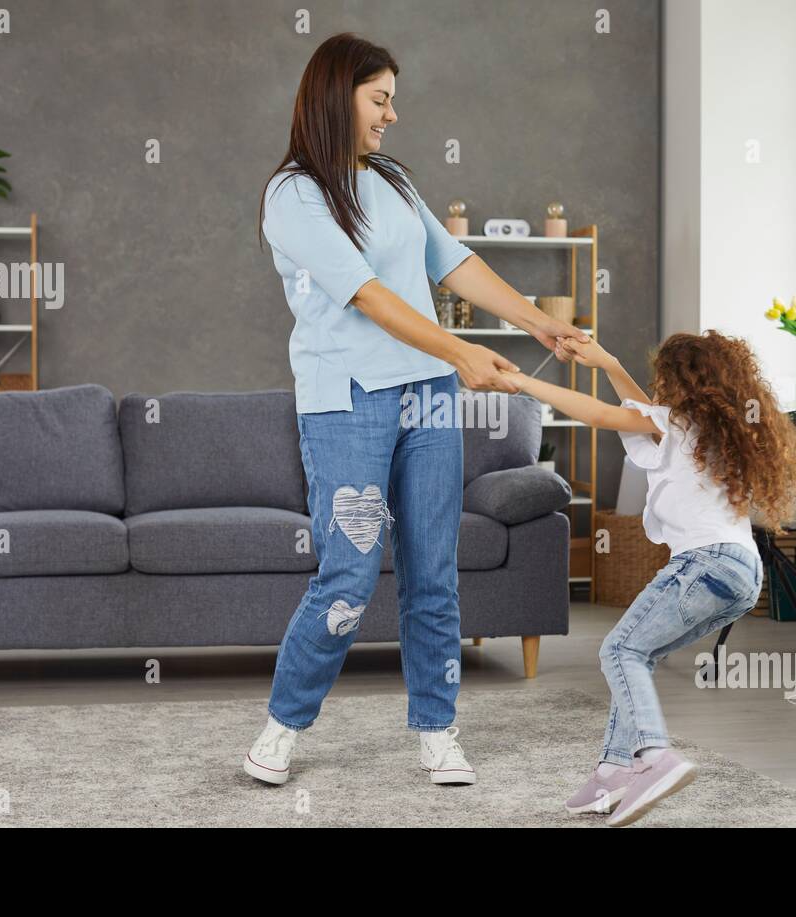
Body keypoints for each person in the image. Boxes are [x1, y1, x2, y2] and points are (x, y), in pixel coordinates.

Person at [246, 33, 589, 787]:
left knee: (434, 569)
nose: (393, 114)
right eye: (380, 99)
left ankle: (437, 729)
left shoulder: (393, 180)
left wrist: (537, 321)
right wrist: (461, 352)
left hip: (428, 397)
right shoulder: (293, 194)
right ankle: (283, 724)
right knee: (349, 571)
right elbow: (366, 293)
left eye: (393, 99)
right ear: (339, 97)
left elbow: (453, 262)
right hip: (347, 401)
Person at [502, 330, 796, 826]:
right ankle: (612, 772)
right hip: (741, 571)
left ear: (679, 380)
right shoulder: (709, 429)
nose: (658, 387)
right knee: (638, 656)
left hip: (703, 563)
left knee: (619, 652)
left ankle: (655, 757)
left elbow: (602, 414)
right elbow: (641, 412)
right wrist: (608, 361)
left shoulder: (678, 424)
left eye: (662, 378)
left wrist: (524, 383)